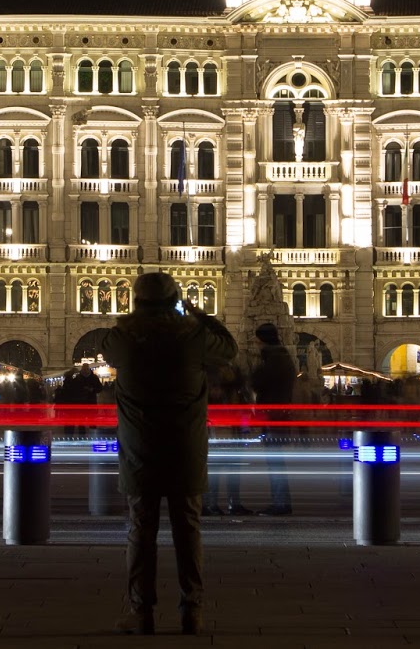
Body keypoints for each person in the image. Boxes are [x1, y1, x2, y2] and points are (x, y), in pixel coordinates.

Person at [100, 271, 237, 636]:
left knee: (141, 531)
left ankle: (141, 612)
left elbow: (108, 346)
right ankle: (192, 611)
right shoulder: (193, 335)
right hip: (185, 449)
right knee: (188, 530)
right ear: (175, 299)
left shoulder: (122, 338)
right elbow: (229, 347)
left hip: (140, 449)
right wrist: (195, 312)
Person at [249, 322, 296, 516]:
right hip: (278, 414)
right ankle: (281, 501)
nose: (256, 345)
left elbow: (257, 382)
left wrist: (255, 368)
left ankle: (281, 503)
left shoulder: (273, 359)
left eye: (258, 341)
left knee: (275, 461)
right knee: (276, 461)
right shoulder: (283, 357)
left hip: (273, 416)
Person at [202, 361, 251, 516]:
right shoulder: (216, 382)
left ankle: (225, 503)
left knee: (230, 469)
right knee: (218, 471)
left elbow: (243, 408)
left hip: (227, 431)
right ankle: (214, 504)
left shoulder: (232, 387)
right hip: (217, 431)